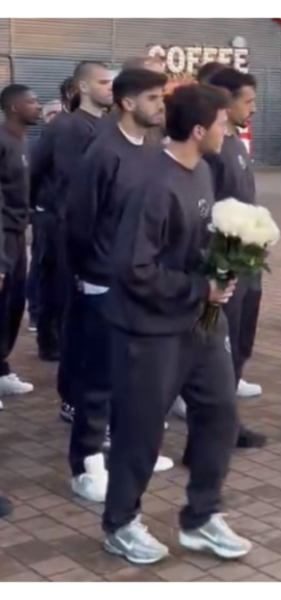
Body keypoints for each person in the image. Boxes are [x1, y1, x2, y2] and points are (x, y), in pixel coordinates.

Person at [101, 84, 250, 564]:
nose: (231, 130)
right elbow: (133, 269)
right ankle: (120, 523)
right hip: (150, 330)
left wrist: (225, 262)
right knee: (141, 431)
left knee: (222, 414)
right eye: (225, 123)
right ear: (200, 129)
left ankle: (201, 517)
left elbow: (196, 243)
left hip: (202, 326)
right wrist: (197, 288)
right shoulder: (153, 184)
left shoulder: (203, 170)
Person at [62, 68, 170, 503]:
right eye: (152, 98)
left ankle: (127, 449)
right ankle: (85, 463)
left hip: (141, 282)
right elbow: (79, 221)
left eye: (161, 97)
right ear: (127, 103)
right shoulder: (102, 152)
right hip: (102, 281)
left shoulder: (151, 149)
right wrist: (89, 274)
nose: (161, 105)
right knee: (99, 376)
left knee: (135, 375)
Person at [186, 66, 267, 450]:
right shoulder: (214, 151)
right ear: (227, 100)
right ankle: (213, 430)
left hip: (247, 261)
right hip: (224, 263)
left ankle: (227, 422)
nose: (253, 108)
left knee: (242, 342)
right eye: (247, 101)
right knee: (221, 347)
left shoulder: (235, 144)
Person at [44, 62, 113, 423]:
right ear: (83, 88)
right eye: (103, 83)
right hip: (76, 240)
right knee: (76, 318)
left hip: (102, 241)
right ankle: (71, 397)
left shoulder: (106, 126)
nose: (110, 89)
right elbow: (75, 190)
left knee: (95, 321)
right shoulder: (71, 127)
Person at [27, 77, 75, 349]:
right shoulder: (58, 129)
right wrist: (39, 207)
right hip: (53, 216)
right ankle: (48, 337)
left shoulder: (95, 126)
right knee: (51, 275)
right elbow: (36, 170)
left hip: (75, 218)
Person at [0, 85, 40, 401]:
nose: (36, 106)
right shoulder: (1, 141)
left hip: (17, 235)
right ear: (14, 107)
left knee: (13, 305)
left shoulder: (23, 141)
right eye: (31, 101)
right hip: (2, 237)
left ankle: (1, 369)